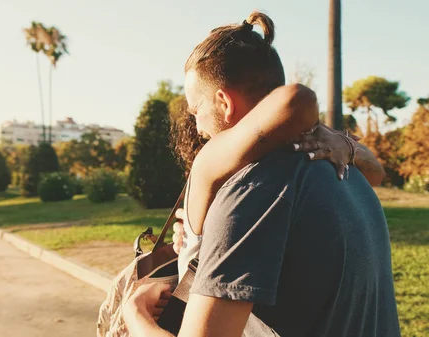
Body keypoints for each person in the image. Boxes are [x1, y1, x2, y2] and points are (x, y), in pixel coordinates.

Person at [124, 11, 401, 337]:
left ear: (224, 103)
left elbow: (297, 99)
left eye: (196, 111)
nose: (198, 129)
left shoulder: (250, 190)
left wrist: (135, 315)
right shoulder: (343, 166)